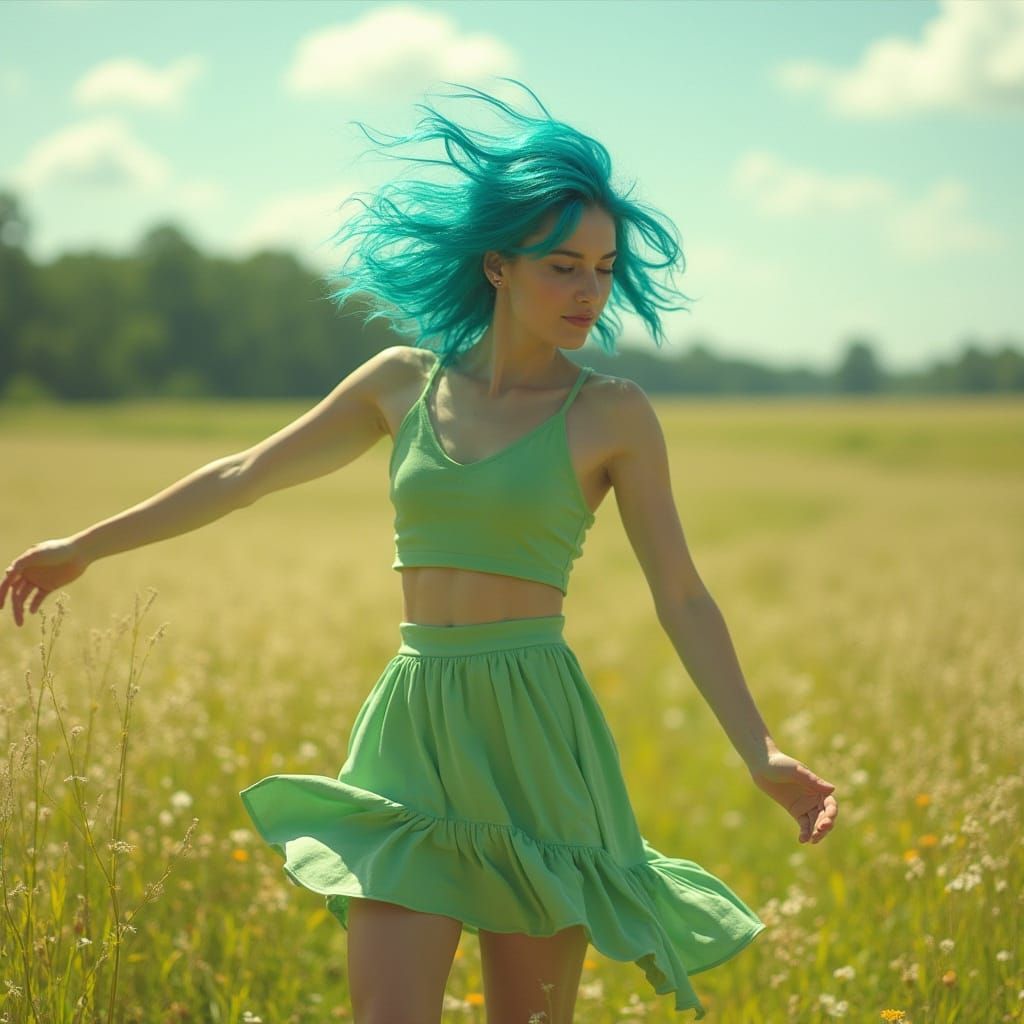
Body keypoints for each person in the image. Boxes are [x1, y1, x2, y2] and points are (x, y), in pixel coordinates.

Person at [0, 79, 838, 1023]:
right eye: (563, 266)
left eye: (603, 268)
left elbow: (682, 594)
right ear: (498, 266)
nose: (588, 291)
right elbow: (244, 472)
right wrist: (86, 545)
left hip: (535, 735)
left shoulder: (612, 415)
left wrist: (759, 750)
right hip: (413, 725)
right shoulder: (402, 382)